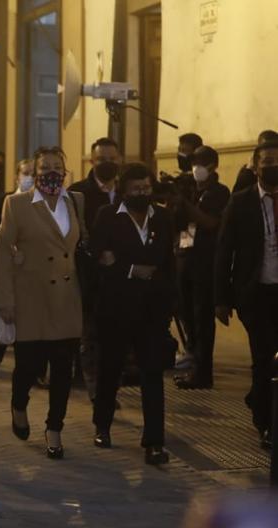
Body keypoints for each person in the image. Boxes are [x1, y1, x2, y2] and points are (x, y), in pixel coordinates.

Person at [0, 146, 86, 460]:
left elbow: (77, 244)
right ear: (34, 171)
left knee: (63, 369)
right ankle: (18, 405)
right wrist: (4, 299)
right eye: (44, 167)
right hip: (30, 298)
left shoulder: (75, 201)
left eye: (56, 166)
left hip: (66, 298)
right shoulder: (16, 204)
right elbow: (4, 252)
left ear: (65, 169)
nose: (51, 172)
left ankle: (54, 428)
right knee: (28, 367)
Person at [90, 163, 174, 465]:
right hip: (116, 308)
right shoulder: (108, 217)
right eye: (136, 189)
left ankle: (154, 442)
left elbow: (167, 262)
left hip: (152, 310)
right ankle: (102, 424)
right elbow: (99, 257)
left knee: (153, 374)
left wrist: (167, 302)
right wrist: (129, 269)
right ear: (124, 191)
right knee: (110, 369)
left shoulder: (162, 218)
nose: (142, 193)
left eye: (147, 188)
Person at [214, 140, 278, 451]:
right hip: (255, 294)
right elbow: (224, 250)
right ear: (255, 165)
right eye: (267, 161)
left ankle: (259, 399)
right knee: (263, 358)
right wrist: (222, 297)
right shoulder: (241, 203)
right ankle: (266, 424)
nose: (272, 166)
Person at [67, 137, 122, 400]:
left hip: (120, 277)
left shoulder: (127, 192)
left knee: (115, 339)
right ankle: (96, 391)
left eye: (111, 159)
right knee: (89, 336)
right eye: (101, 160)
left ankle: (109, 387)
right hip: (88, 276)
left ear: (119, 160)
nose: (107, 164)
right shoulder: (78, 193)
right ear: (92, 161)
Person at [173, 146, 229, 389]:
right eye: (194, 162)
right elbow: (180, 224)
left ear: (213, 166)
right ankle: (194, 365)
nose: (197, 168)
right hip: (185, 262)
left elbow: (209, 223)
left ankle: (203, 372)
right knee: (187, 316)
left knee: (202, 319)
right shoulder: (192, 191)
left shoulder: (219, 192)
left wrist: (183, 202)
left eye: (202, 163)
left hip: (206, 265)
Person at [0, 158, 34, 379]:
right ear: (17, 176)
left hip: (30, 271)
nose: (29, 177)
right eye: (26, 172)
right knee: (4, 315)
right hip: (7, 267)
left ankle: (31, 369)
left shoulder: (40, 203)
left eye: (33, 173)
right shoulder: (5, 200)